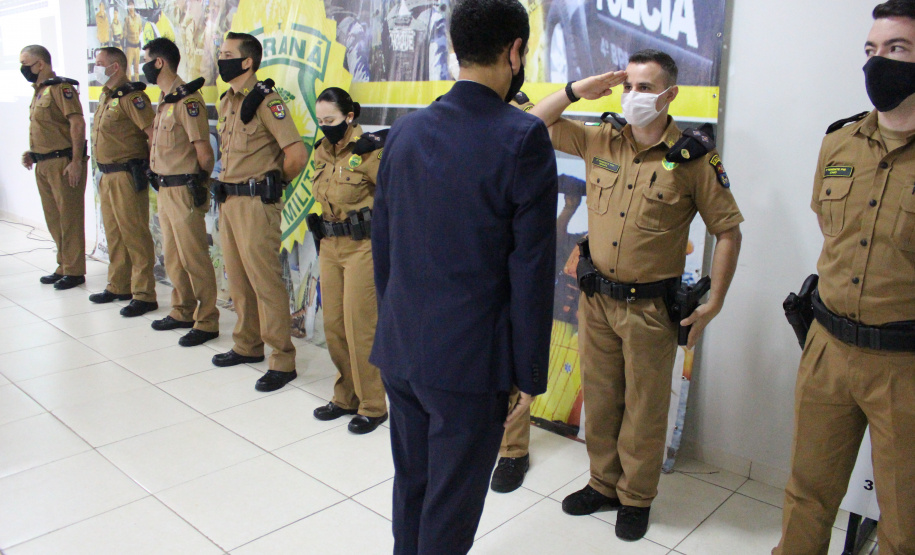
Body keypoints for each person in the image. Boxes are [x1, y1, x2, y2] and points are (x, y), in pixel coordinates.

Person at [529, 49, 743, 541]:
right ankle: (603, 485)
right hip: (597, 299)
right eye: (628, 86)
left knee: (644, 409)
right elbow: (530, 126)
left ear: (670, 95)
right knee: (601, 400)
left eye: (645, 88)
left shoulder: (693, 158)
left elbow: (727, 231)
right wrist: (575, 91)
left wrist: (716, 299)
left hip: (650, 308)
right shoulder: (600, 137)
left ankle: (635, 497)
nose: (633, 97)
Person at [371, 0, 558, 551]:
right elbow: (531, 269)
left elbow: (384, 247)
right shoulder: (522, 139)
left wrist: (394, 328)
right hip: (470, 366)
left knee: (413, 487)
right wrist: (528, 373)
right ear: (516, 51)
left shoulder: (404, 131)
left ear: (455, 49)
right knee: (450, 508)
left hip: (401, 350)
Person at [774, 2, 915, 553]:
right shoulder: (839, 143)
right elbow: (828, 227)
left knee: (904, 519)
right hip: (827, 348)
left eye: (897, 50)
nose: (879, 63)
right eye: (871, 51)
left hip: (902, 365)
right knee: (807, 493)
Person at [212, 32, 308, 391]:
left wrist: (272, 184)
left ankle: (282, 360)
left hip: (255, 203)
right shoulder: (227, 101)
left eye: (227, 54)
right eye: (220, 53)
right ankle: (247, 344)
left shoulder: (268, 101)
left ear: (247, 61)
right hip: (229, 200)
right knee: (237, 279)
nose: (221, 59)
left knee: (265, 282)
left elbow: (296, 154)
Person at [309, 87, 388, 434]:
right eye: (321, 120)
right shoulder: (321, 152)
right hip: (329, 244)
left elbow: (393, 198)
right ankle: (346, 396)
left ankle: (373, 404)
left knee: (360, 327)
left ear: (350, 117)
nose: (325, 126)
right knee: (334, 325)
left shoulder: (370, 150)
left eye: (332, 120)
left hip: (362, 247)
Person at [142, 37, 219, 347]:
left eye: (146, 60)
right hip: (164, 188)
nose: (143, 67)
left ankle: (208, 320)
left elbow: (204, 152)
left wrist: (200, 186)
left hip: (184, 190)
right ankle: (182, 309)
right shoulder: (165, 100)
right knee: (173, 257)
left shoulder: (188, 100)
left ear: (159, 62)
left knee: (194, 257)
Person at [89, 47, 159, 317]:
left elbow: (152, 134)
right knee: (115, 234)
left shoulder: (133, 97)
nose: (95, 67)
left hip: (127, 175)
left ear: (115, 67)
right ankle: (119, 285)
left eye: (99, 63)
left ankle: (144, 294)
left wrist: (153, 168)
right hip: (106, 175)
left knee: (135, 234)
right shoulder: (107, 96)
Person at [19, 45, 87, 291]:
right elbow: (48, 128)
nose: (23, 68)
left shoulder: (62, 88)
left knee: (69, 218)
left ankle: (75, 270)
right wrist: (32, 153)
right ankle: (63, 265)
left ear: (41, 64)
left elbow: (77, 124)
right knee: (54, 219)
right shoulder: (39, 91)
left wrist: (76, 161)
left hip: (64, 163)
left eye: (26, 63)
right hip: (43, 163)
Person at [125, 1, 142, 81]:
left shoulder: (138, 17)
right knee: (129, 69)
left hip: (137, 46)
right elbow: (124, 33)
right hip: (130, 47)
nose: (131, 7)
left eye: (132, 5)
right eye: (129, 6)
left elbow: (140, 30)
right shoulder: (127, 19)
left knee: (136, 68)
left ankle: (137, 86)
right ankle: (129, 89)